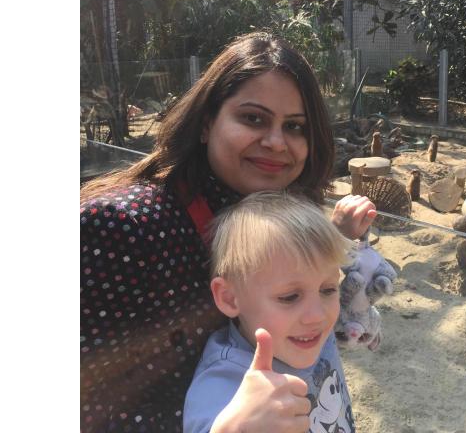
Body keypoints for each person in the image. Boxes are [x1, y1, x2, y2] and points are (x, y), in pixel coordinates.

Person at [80, 31, 376, 432]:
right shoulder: (122, 227)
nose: (276, 142)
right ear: (207, 123)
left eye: (294, 126)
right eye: (253, 118)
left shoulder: (283, 210)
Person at [184, 190, 355, 433]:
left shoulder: (310, 333)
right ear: (230, 298)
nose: (318, 315)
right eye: (290, 297)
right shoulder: (225, 380)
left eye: (328, 290)